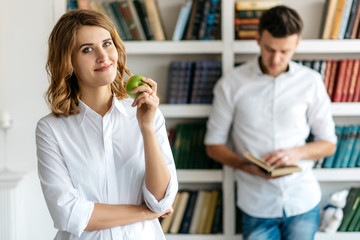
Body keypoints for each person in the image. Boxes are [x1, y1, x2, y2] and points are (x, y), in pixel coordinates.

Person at [36, 9, 178, 240]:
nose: (104, 56)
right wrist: (144, 212)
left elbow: (161, 199)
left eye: (107, 43)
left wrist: (147, 128)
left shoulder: (147, 114)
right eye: (87, 49)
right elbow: (67, 213)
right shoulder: (51, 129)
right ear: (68, 61)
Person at [205, 5, 337, 240]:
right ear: (258, 39)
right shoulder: (231, 84)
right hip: (256, 204)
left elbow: (328, 143)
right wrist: (246, 165)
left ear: (297, 43)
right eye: (269, 49)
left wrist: (296, 153)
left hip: (302, 200)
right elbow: (213, 145)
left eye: (285, 51)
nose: (276, 59)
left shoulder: (312, 82)